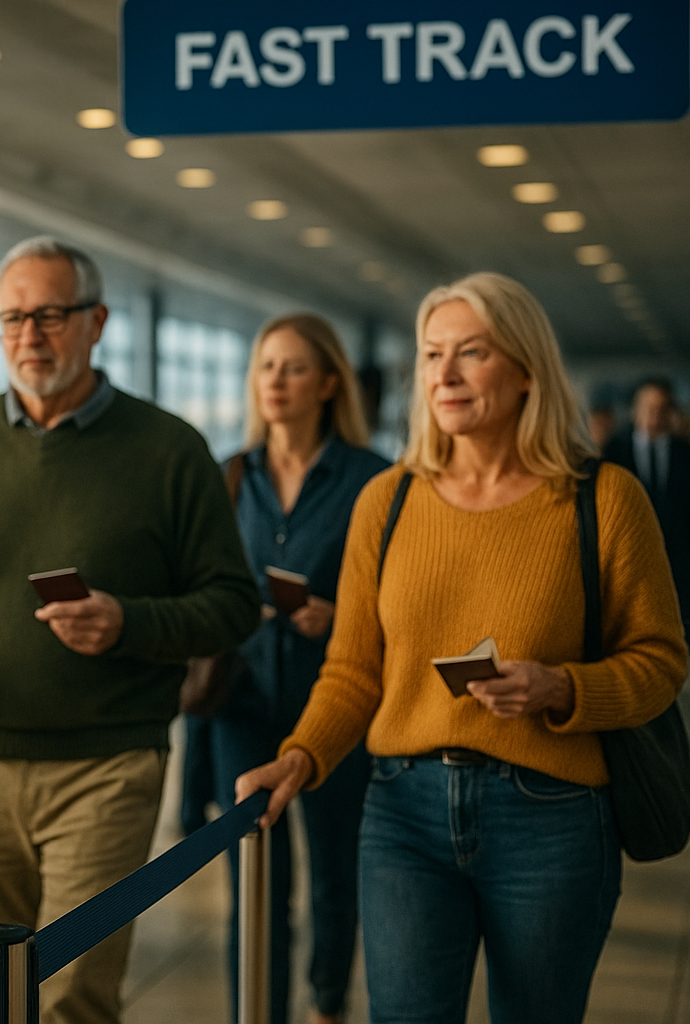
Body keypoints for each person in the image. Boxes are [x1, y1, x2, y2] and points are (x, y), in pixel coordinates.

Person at [238, 272, 686, 1024]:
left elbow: (661, 662)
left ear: (525, 371)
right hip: (401, 813)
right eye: (430, 354)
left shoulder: (601, 498)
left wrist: (561, 689)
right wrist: (299, 757)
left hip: (552, 815)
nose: (442, 374)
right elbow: (353, 668)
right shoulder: (388, 499)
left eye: (469, 353)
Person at [0, 235, 259, 1024]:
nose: (30, 335)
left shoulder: (169, 450)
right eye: (13, 317)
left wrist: (127, 620)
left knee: (72, 997)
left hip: (108, 764)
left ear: (95, 322)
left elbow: (232, 603)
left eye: (51, 315)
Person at [184, 314, 388, 1024]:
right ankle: (258, 1011)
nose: (275, 380)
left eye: (294, 367)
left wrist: (339, 617)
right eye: (266, 366)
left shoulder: (374, 481)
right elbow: (202, 584)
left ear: (329, 382)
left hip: (334, 707)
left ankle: (327, 1003)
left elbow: (397, 602)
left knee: (335, 872)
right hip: (243, 699)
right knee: (256, 877)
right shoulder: (230, 475)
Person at [603, 379, 690, 625]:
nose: (654, 414)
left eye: (661, 408)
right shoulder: (614, 451)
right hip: (627, 555)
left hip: (677, 561)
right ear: (635, 409)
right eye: (648, 407)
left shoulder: (685, 453)